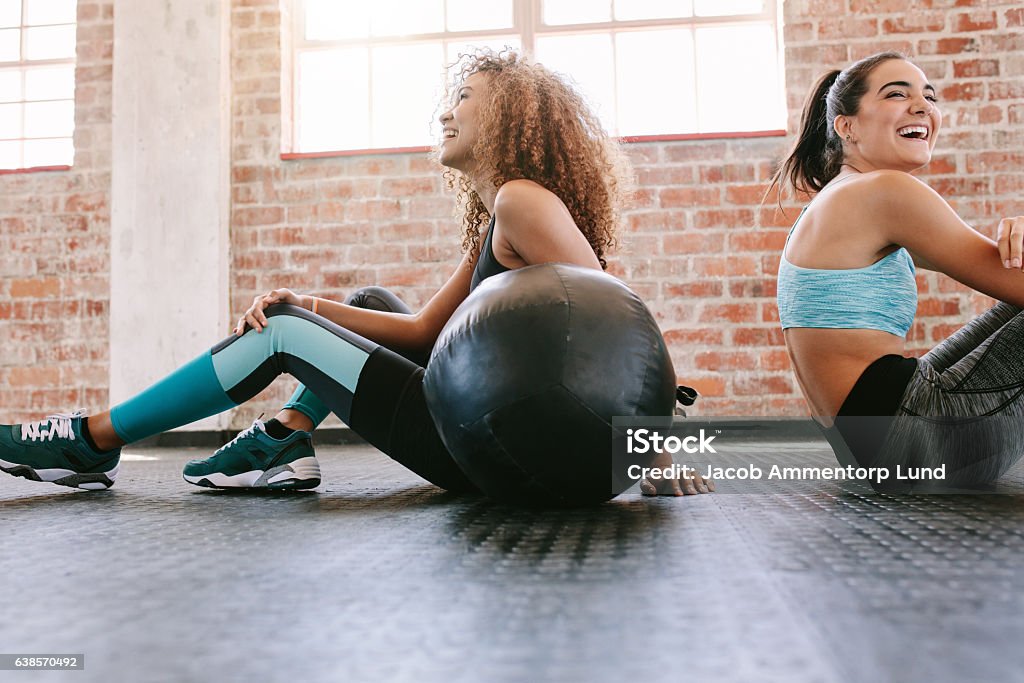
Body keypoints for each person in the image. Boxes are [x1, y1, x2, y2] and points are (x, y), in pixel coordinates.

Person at [0, 49, 712, 498]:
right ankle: (285, 433)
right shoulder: (501, 215)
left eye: (464, 99)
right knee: (357, 303)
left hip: (477, 446)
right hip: (476, 433)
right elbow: (425, 329)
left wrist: (652, 448)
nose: (446, 112)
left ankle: (91, 440)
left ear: (508, 115)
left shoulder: (525, 200)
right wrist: (306, 303)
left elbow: (611, 322)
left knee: (277, 333)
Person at [771, 51, 1024, 488]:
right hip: (917, 440)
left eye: (929, 95)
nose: (923, 106)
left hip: (873, 449)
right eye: (896, 94)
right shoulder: (885, 191)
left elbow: (1008, 276)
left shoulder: (842, 197)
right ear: (846, 126)